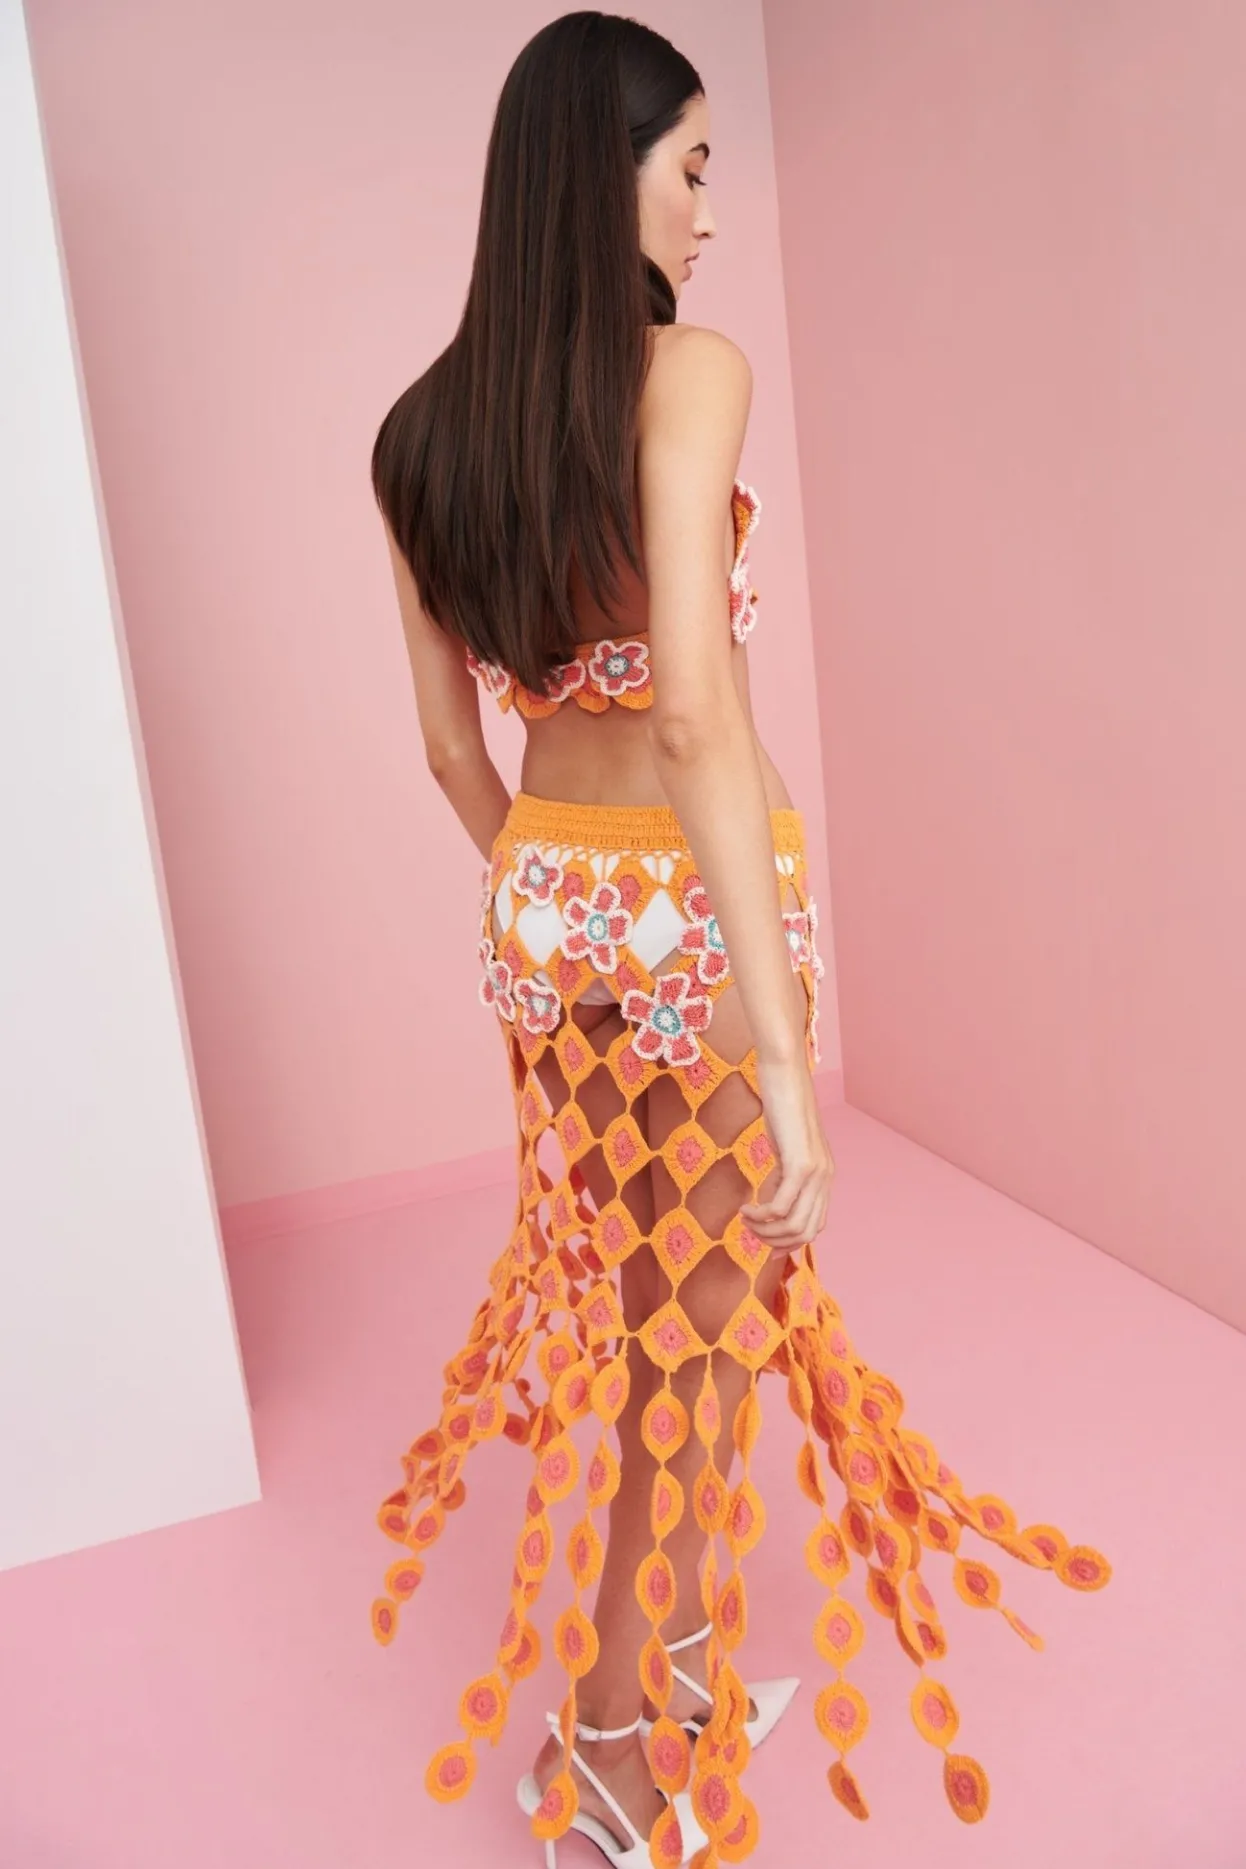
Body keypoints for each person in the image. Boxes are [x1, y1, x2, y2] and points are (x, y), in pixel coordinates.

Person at [367, 13, 1111, 1866]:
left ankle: (686, 1675)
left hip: (545, 905)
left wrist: (559, 896)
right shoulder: (687, 373)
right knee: (688, 1345)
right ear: (600, 173)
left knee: (657, 1319)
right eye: (691, 167)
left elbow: (453, 752)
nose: (708, 211)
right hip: (692, 905)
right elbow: (695, 714)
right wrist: (779, 1052)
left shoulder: (419, 435)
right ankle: (607, 1752)